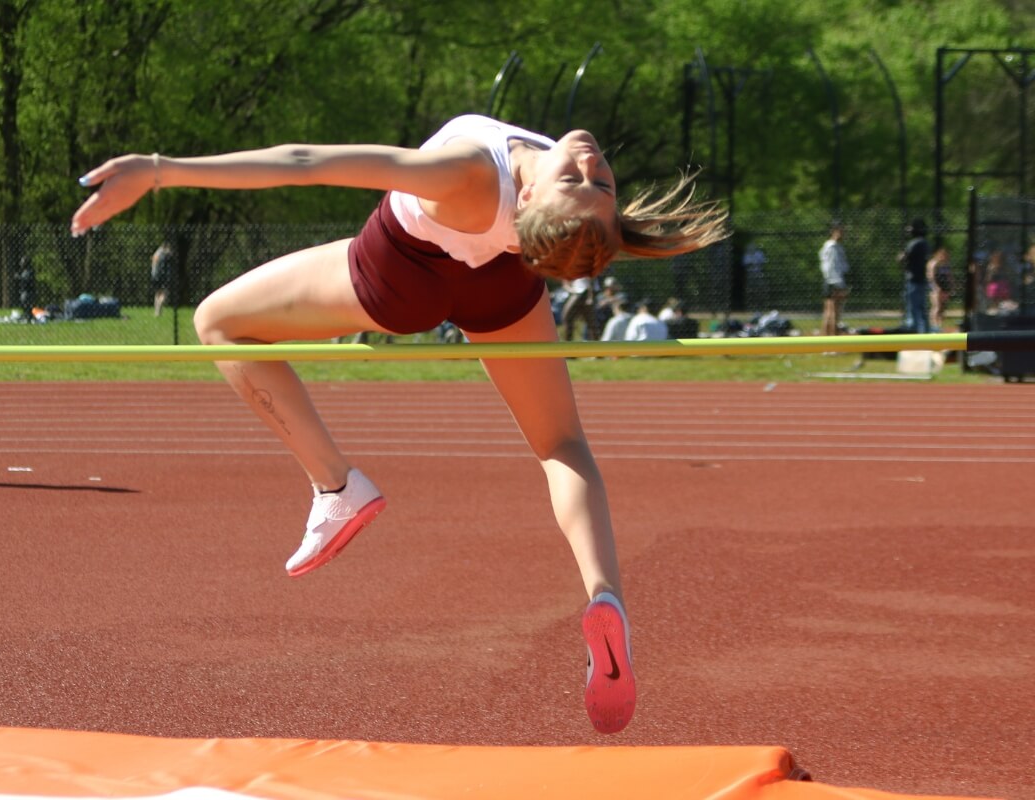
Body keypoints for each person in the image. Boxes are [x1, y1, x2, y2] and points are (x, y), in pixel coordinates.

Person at [71, 114, 727, 734]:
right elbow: (574, 222)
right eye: (598, 182)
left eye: (578, 181)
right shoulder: (551, 225)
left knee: (218, 320)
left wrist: (158, 168)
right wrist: (582, 217)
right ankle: (605, 596)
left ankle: (336, 486)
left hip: (403, 278)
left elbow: (307, 163)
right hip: (504, 285)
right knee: (559, 444)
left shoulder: (467, 172)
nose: (589, 164)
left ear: (528, 208)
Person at [897, 218, 930, 333]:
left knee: (913, 307)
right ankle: (925, 331)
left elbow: (902, 258)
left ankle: (914, 330)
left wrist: (901, 256)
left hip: (913, 280)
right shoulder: (925, 243)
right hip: (921, 279)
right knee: (922, 308)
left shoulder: (915, 243)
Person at [818, 221, 849, 336]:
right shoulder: (832, 247)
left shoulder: (835, 247)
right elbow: (831, 268)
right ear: (833, 232)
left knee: (829, 313)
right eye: (840, 231)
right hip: (833, 282)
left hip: (832, 281)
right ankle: (832, 342)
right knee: (833, 313)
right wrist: (839, 285)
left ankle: (826, 342)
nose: (842, 234)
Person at [560, 275, 597, 340]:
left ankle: (568, 344)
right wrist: (571, 289)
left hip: (583, 292)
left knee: (567, 317)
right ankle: (596, 342)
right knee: (590, 321)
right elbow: (565, 282)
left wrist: (590, 297)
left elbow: (591, 277)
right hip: (578, 292)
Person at [926, 246, 952, 331]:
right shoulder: (933, 263)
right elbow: (931, 277)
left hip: (944, 287)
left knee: (942, 307)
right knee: (936, 306)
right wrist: (936, 287)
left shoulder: (945, 264)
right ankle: (933, 324)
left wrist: (951, 285)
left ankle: (939, 324)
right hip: (935, 287)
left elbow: (949, 276)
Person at [151, 241, 174, 317]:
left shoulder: (156, 254)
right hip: (163, 276)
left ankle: (156, 312)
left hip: (154, 276)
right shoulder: (165, 254)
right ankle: (159, 307)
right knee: (164, 293)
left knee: (157, 293)